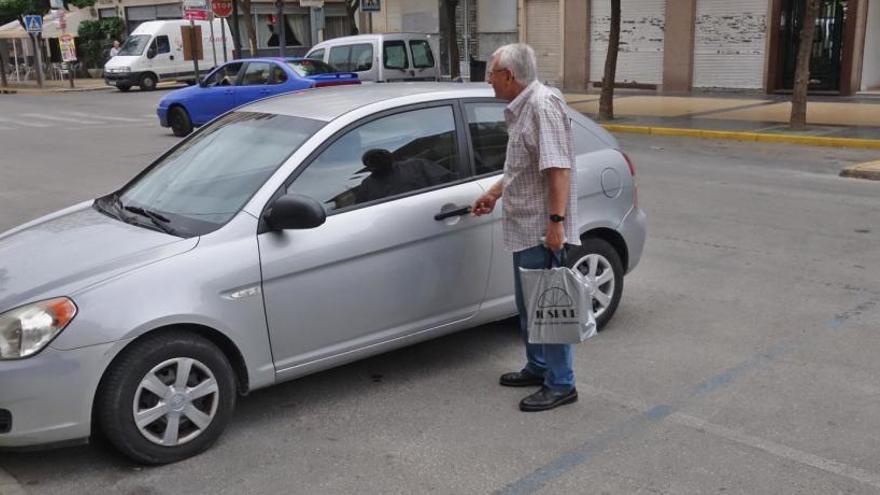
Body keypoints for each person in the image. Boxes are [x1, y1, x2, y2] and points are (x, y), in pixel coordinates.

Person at [471, 43, 580, 412]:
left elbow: (557, 169)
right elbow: (521, 167)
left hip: (539, 227)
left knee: (547, 305)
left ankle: (561, 383)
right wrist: (494, 192)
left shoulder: (542, 106)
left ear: (509, 76)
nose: (488, 80)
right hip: (523, 224)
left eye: (491, 73)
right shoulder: (522, 109)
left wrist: (556, 225)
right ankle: (538, 367)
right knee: (528, 304)